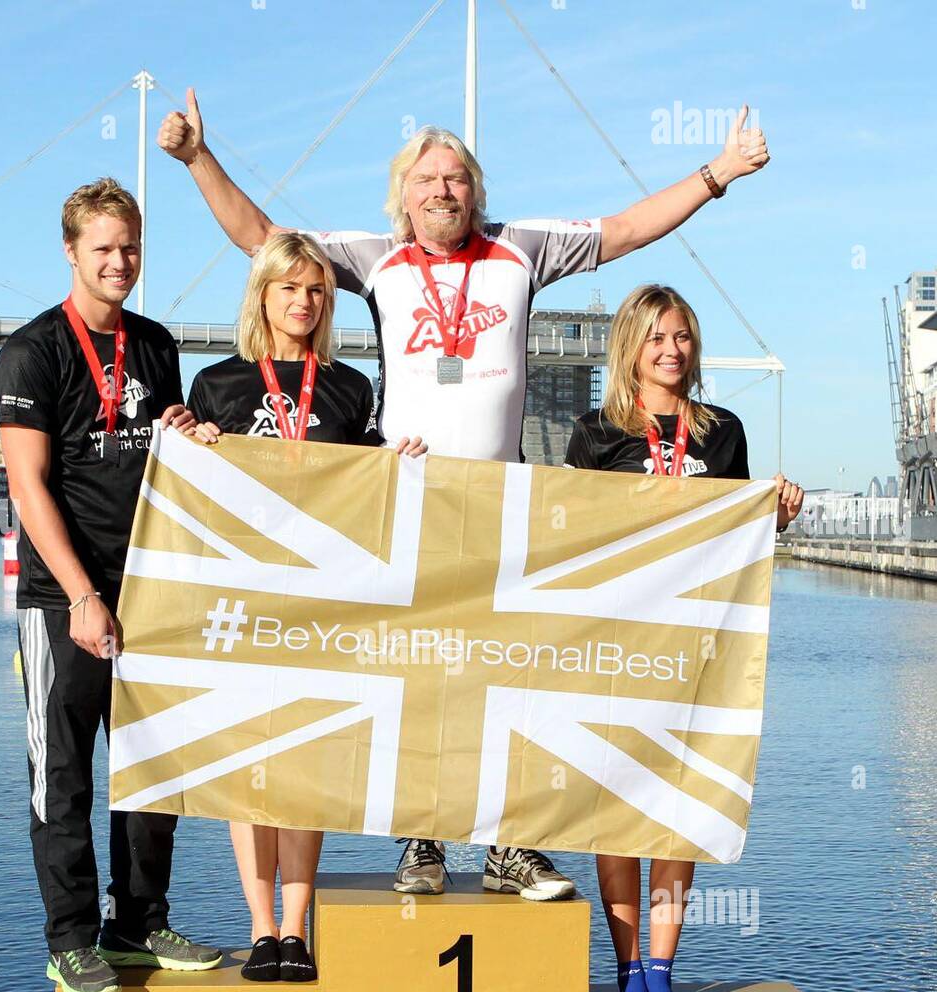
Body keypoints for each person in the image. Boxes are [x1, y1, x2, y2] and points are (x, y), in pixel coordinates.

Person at [158, 89, 771, 902]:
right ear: (401, 198)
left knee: (512, 671)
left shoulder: (520, 249)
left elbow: (625, 230)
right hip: (404, 498)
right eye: (425, 180)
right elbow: (264, 242)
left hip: (502, 499)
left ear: (475, 191)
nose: (440, 191)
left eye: (454, 179)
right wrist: (200, 158)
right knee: (418, 672)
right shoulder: (374, 259)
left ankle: (510, 847)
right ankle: (422, 839)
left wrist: (718, 171)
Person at [0, 177, 221, 992]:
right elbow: (28, 487)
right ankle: (70, 938)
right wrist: (84, 597)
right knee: (64, 776)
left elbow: (167, 458)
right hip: (64, 600)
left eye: (130, 247)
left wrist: (187, 435)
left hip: (152, 589)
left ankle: (139, 923)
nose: (120, 262)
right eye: (103, 249)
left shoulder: (157, 345)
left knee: (151, 769)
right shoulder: (31, 351)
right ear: (70, 252)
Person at [189, 231, 427, 983]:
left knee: (305, 764)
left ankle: (297, 929)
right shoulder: (217, 385)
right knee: (249, 767)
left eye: (317, 290)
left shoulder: (349, 388)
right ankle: (259, 928)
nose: (303, 301)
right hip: (245, 600)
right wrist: (189, 444)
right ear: (261, 294)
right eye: (289, 287)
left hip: (323, 603)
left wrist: (395, 467)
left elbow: (362, 493)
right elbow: (193, 497)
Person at [564, 283, 804, 992]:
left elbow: (737, 545)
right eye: (657, 337)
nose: (672, 351)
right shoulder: (594, 434)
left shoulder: (720, 433)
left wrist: (778, 520)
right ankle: (627, 968)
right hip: (616, 648)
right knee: (614, 815)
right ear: (630, 347)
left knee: (679, 811)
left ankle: (663, 973)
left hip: (696, 650)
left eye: (684, 338)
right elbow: (570, 545)